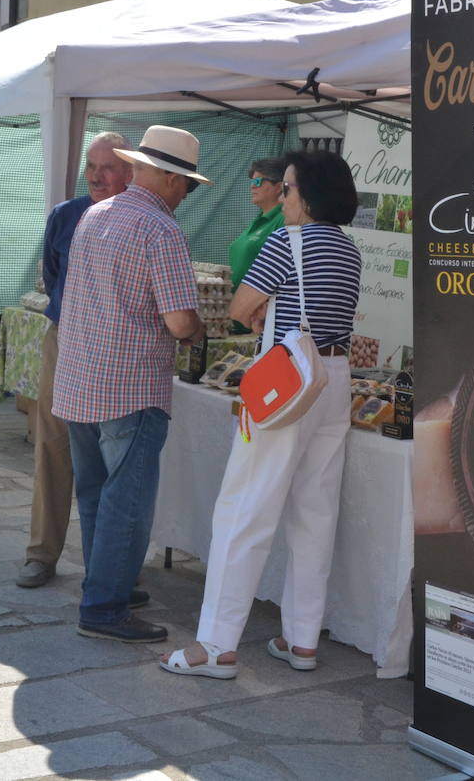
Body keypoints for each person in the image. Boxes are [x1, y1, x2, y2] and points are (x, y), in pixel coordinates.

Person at [161, 150, 361, 680]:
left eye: (289, 189)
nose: (284, 198)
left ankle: (216, 645)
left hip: (288, 383)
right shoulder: (348, 248)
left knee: (243, 510)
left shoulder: (286, 241)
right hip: (334, 381)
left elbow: (238, 306)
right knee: (314, 512)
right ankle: (301, 641)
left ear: (307, 196)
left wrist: (264, 310)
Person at [52, 125, 208, 644]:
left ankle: (105, 586)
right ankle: (104, 606)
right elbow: (181, 322)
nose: (186, 192)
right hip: (131, 385)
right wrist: (201, 328)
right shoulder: (160, 231)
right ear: (165, 178)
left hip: (79, 378)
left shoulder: (95, 215)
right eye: (185, 182)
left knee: (98, 495)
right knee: (127, 502)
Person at [16, 131, 132, 589]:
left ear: (130, 172)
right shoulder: (65, 216)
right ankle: (42, 553)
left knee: (111, 456)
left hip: (117, 348)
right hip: (65, 339)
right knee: (53, 444)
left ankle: (106, 567)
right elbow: (52, 277)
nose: (98, 176)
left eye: (109, 167)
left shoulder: (140, 219)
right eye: (91, 166)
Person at [227, 157, 286, 287]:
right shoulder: (259, 220)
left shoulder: (283, 219)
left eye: (258, 181)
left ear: (278, 187)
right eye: (252, 181)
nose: (252, 186)